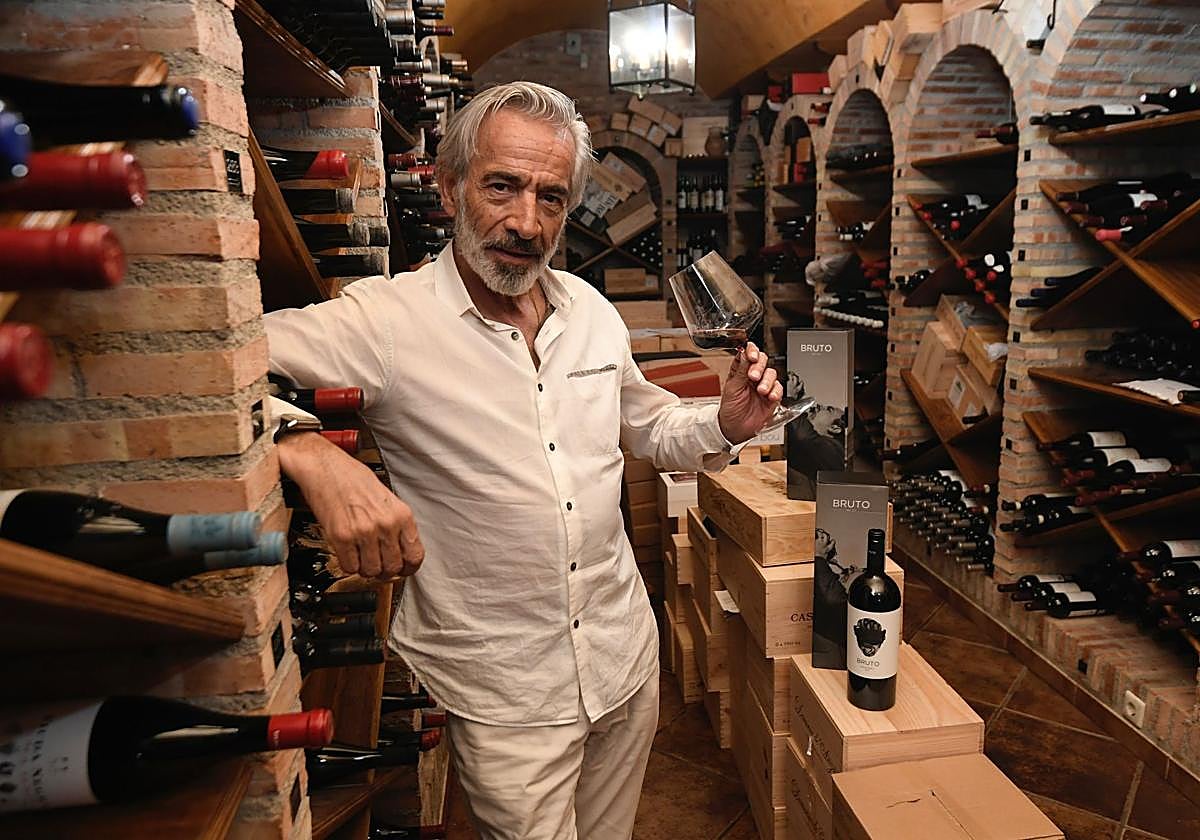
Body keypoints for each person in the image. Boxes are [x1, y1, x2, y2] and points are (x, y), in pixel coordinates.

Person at [264, 81, 783, 839]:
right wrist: (306, 449)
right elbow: (220, 355)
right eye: (501, 187)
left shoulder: (591, 312)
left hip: (622, 656)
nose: (526, 222)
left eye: (551, 197)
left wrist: (724, 422)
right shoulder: (388, 322)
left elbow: (648, 425)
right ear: (450, 188)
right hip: (504, 690)